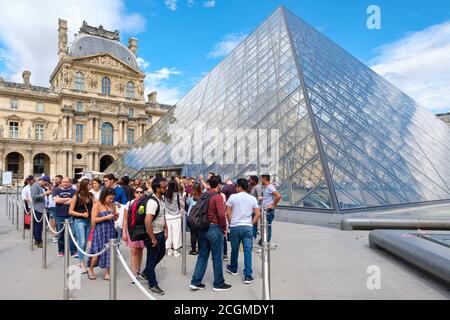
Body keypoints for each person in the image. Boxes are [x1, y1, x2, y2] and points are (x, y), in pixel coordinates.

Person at [190, 175, 232, 292]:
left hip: (202, 228)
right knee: (217, 257)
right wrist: (224, 229)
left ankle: (195, 281)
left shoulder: (204, 195)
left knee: (202, 255)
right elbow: (221, 215)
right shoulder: (217, 197)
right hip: (214, 228)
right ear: (218, 185)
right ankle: (218, 283)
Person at [225, 178, 260, 284]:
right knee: (247, 251)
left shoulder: (233, 197)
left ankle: (233, 268)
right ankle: (248, 275)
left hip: (235, 227)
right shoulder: (252, 198)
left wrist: (232, 223)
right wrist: (251, 223)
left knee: (234, 249)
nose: (235, 188)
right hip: (247, 227)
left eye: (236, 186)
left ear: (240, 187)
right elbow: (258, 214)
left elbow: (228, 212)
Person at [142, 177, 168, 296]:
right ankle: (152, 285)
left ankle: (146, 272)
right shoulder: (152, 202)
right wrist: (152, 237)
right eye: (164, 187)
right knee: (152, 259)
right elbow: (148, 221)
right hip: (153, 234)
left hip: (160, 232)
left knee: (161, 253)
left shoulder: (161, 199)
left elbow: (161, 214)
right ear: (157, 188)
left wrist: (165, 226)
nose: (166, 188)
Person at [88, 188, 118, 280]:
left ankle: (107, 272)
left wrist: (115, 217)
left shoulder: (112, 205)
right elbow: (93, 220)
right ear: (104, 196)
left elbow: (114, 218)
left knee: (109, 253)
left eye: (112, 198)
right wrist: (106, 217)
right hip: (100, 232)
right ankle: (90, 269)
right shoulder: (97, 205)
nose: (111, 200)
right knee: (97, 253)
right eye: (110, 198)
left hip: (110, 231)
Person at [69, 179, 94, 273]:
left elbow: (94, 207)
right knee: (82, 241)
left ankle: (81, 259)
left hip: (88, 221)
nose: (91, 186)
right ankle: (82, 262)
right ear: (85, 185)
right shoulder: (76, 197)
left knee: (85, 242)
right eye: (89, 184)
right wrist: (81, 214)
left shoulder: (91, 196)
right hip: (79, 220)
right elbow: (70, 211)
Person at [122, 187, 146, 282]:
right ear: (134, 193)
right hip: (132, 230)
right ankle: (134, 274)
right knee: (134, 251)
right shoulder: (129, 203)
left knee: (140, 250)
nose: (139, 194)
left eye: (141, 192)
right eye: (137, 192)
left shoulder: (145, 203)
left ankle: (138, 270)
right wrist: (124, 232)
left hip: (142, 230)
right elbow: (124, 219)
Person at [53, 177, 77, 257]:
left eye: (67, 182)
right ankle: (61, 250)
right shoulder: (56, 190)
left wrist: (61, 200)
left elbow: (73, 201)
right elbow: (56, 200)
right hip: (59, 215)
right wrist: (67, 199)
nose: (65, 183)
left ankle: (73, 251)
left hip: (70, 215)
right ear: (61, 182)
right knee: (60, 234)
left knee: (72, 234)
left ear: (70, 183)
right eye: (64, 182)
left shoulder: (74, 191)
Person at [30, 176, 52, 248]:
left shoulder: (40, 186)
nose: (46, 185)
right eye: (46, 183)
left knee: (38, 225)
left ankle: (37, 239)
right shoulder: (35, 186)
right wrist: (45, 193)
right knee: (38, 225)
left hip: (41, 208)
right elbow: (34, 197)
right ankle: (39, 240)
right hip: (37, 208)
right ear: (43, 180)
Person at [164, 178, 183, 258]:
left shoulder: (165, 194)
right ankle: (176, 250)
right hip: (176, 216)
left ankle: (168, 249)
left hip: (167, 216)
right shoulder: (178, 194)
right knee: (177, 233)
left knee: (168, 234)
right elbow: (182, 205)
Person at [260, 174, 281, 244]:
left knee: (267, 227)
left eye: (261, 179)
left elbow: (278, 196)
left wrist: (273, 205)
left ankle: (266, 244)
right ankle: (263, 242)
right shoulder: (268, 187)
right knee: (265, 227)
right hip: (266, 210)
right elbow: (269, 197)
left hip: (268, 211)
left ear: (264, 179)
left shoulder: (270, 187)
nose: (260, 180)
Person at [186, 182, 202, 255]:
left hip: (191, 218)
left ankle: (193, 250)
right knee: (200, 234)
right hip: (199, 217)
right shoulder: (202, 196)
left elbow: (187, 202)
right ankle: (200, 249)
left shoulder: (191, 196)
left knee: (193, 234)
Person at [248, 175, 263, 242]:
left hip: (255, 209)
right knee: (253, 223)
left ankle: (253, 237)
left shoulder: (257, 187)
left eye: (250, 180)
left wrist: (254, 204)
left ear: (254, 180)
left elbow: (260, 198)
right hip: (252, 209)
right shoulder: (252, 187)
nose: (249, 181)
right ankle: (252, 236)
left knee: (254, 223)